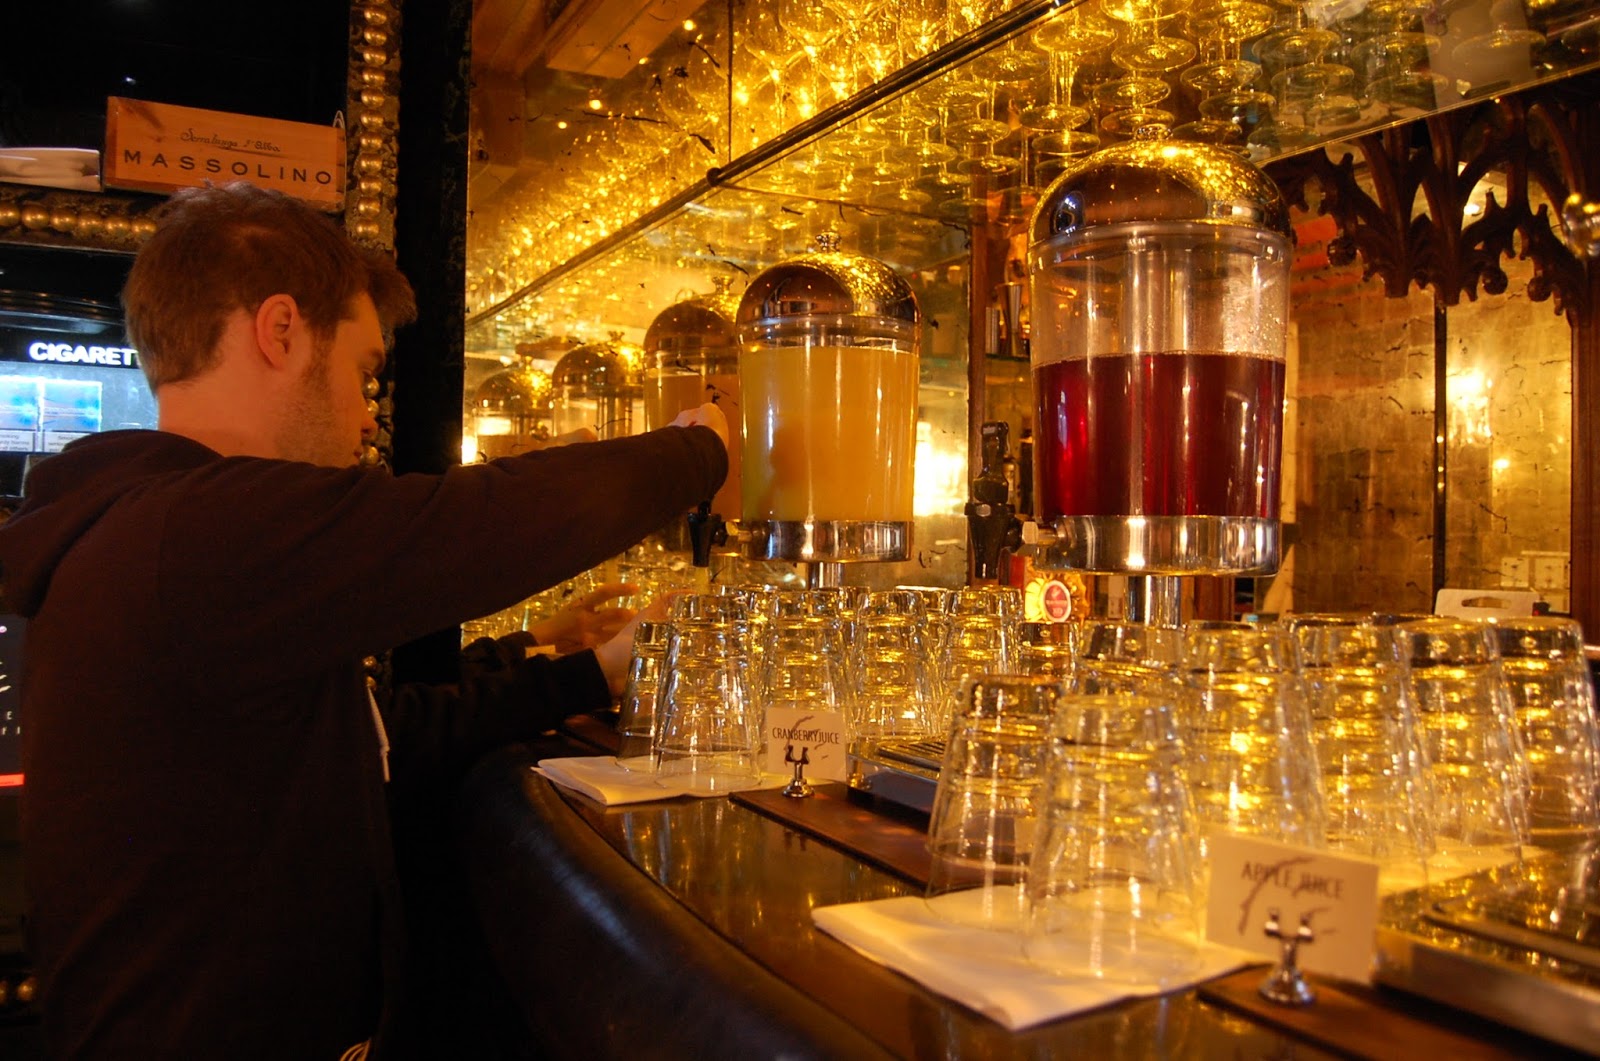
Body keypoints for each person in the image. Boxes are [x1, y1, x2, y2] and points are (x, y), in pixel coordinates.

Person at [0, 181, 728, 1059]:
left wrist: (583, 668)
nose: (365, 416)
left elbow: (370, 736)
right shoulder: (194, 533)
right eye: (362, 373)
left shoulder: (153, 530)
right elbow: (481, 526)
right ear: (279, 331)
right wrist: (701, 447)